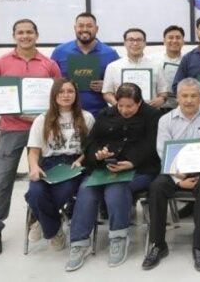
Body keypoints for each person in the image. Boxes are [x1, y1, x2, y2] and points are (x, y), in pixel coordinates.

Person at [65, 83, 162, 271]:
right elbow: (91, 142)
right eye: (121, 105)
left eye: (129, 106)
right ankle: (79, 243)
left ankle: (118, 237)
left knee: (115, 189)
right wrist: (98, 154)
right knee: (86, 190)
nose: (124, 110)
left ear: (139, 102)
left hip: (139, 169)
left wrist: (132, 162)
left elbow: (153, 146)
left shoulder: (153, 116)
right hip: (106, 168)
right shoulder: (105, 114)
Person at [0, 19, 61, 256]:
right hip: (11, 129)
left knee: (43, 178)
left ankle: (39, 219)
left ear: (36, 35)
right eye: (20, 32)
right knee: (2, 180)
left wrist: (45, 117)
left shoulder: (49, 64)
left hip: (42, 130)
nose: (25, 36)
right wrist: (14, 111)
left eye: (29, 32)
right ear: (14, 36)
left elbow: (60, 94)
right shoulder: (0, 63)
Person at [141, 78, 200, 271]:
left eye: (194, 96)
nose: (189, 100)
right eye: (184, 96)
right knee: (156, 187)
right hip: (174, 170)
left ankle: (199, 246)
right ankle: (158, 244)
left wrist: (196, 169)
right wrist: (178, 179)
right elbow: (163, 152)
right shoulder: (166, 120)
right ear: (177, 98)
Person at [25, 78, 95, 250]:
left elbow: (91, 148)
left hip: (74, 163)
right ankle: (54, 230)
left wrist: (81, 160)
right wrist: (34, 167)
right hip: (49, 164)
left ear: (76, 95)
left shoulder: (87, 117)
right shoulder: (42, 119)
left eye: (70, 91)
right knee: (35, 193)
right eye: (61, 91)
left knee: (64, 190)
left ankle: (41, 220)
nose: (66, 95)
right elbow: (33, 151)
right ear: (54, 95)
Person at [51, 12, 120, 115]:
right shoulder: (59, 51)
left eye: (89, 26)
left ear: (96, 29)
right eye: (81, 26)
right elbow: (51, 82)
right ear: (75, 28)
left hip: (99, 113)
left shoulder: (110, 53)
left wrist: (107, 86)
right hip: (66, 113)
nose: (85, 29)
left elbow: (120, 84)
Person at [102, 28, 168, 108]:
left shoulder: (157, 66)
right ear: (125, 43)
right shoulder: (113, 67)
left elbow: (163, 92)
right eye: (131, 40)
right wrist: (119, 105)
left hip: (149, 111)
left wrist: (161, 100)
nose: (135, 43)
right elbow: (107, 93)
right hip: (122, 113)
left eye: (139, 40)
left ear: (145, 43)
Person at [157, 25, 185, 112]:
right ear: (164, 41)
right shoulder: (153, 60)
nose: (174, 40)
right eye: (170, 37)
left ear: (183, 41)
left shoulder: (188, 60)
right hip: (157, 107)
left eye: (178, 38)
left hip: (181, 108)